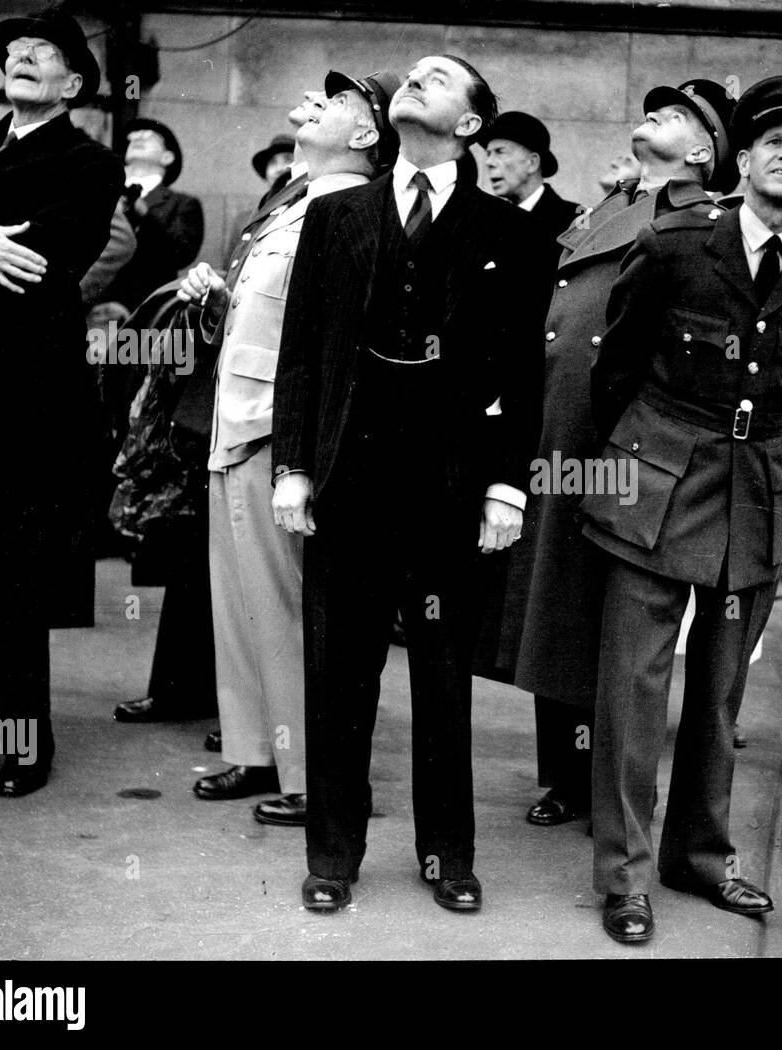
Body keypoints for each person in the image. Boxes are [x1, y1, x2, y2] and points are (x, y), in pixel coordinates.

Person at [580, 75, 782, 943]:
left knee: (721, 697)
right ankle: (623, 876)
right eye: (771, 140)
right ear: (741, 157)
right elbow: (613, 372)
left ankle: (699, 859)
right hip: (657, 484)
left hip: (757, 497)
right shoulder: (673, 244)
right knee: (633, 691)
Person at [272, 55, 541, 914]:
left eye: (439, 78)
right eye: (412, 75)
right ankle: (334, 852)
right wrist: (294, 467)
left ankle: (447, 855)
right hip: (351, 475)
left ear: (470, 125)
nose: (416, 81)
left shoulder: (506, 231)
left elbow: (518, 371)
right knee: (340, 669)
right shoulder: (337, 214)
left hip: (449, 485)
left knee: (442, 674)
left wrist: (507, 489)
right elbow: (303, 351)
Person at [490, 79, 736, 834]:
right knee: (555, 600)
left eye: (676, 116)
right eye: (652, 109)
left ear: (703, 151)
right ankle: (562, 775)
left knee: (613, 620)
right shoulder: (615, 207)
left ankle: (606, 791)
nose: (652, 117)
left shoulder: (710, 224)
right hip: (562, 430)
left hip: (626, 440)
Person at [180, 71, 401, 829]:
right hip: (237, 421)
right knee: (239, 603)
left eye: (340, 103)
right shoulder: (293, 201)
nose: (318, 106)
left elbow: (335, 342)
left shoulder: (353, 209)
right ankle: (256, 749)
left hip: (281, 428)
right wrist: (215, 302)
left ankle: (315, 776)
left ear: (368, 134)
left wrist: (302, 447)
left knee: (285, 608)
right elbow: (261, 317)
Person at [0, 6, 123, 797]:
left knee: (9, 570)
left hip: (25, 397)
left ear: (73, 83)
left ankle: (25, 740)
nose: (22, 58)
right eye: (14, 51)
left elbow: (44, 259)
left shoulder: (87, 162)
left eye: (43, 52)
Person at [113, 90, 328, 745]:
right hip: (214, 404)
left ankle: (259, 720)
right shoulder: (272, 210)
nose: (277, 172)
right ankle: (184, 690)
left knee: (256, 576)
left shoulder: (315, 206)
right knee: (193, 559)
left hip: (259, 414)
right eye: (272, 164)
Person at [103, 118, 204, 314]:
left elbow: (181, 253)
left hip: (146, 312)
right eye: (134, 137)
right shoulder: (103, 192)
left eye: (149, 137)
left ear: (167, 157)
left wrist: (145, 215)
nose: (138, 137)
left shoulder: (183, 203)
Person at [480, 111, 580, 263]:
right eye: (488, 154)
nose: (489, 162)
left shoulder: (576, 218)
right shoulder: (486, 221)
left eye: (500, 152)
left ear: (532, 163)